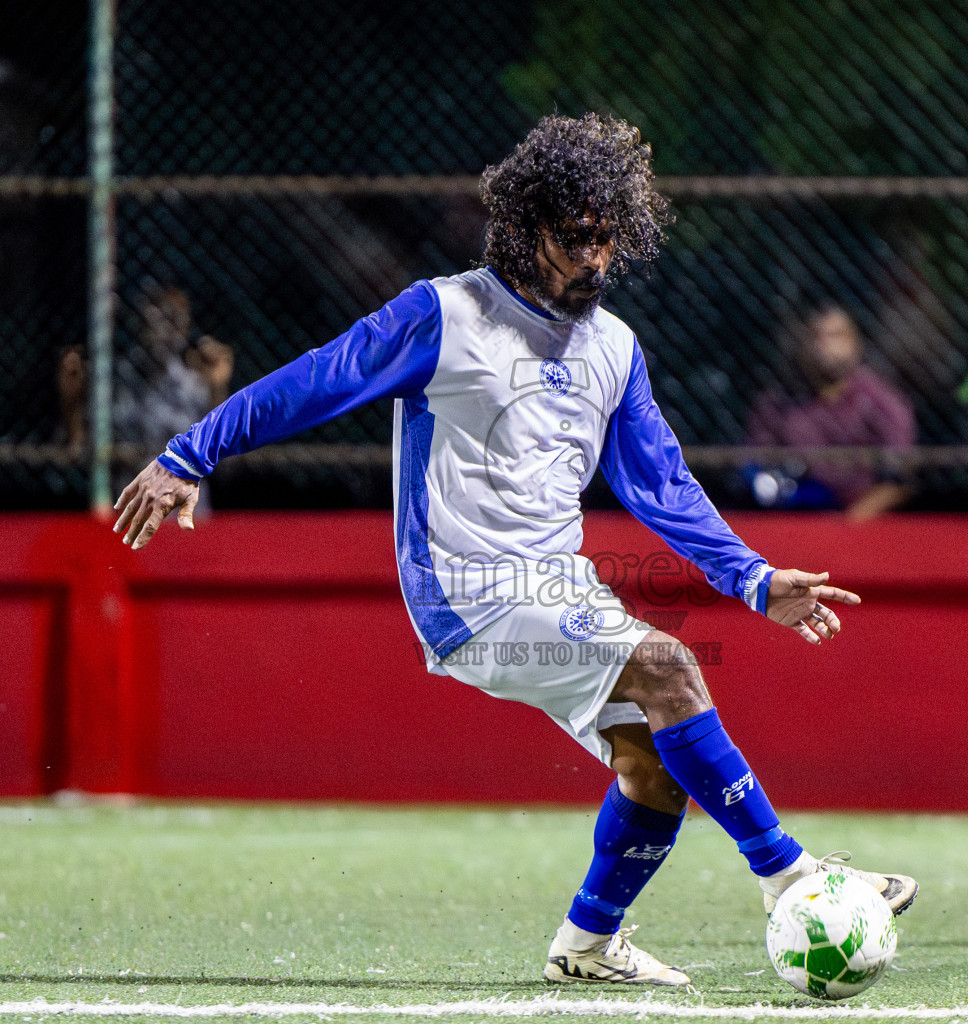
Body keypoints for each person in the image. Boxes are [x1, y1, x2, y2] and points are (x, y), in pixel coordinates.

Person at [111, 113, 918, 986]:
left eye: (609, 239)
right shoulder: (447, 313)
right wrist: (189, 454)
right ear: (528, 228)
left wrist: (754, 580)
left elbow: (661, 486)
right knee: (669, 666)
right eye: (576, 238)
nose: (596, 259)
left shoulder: (615, 348)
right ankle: (792, 878)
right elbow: (318, 379)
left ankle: (587, 944)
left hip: (558, 587)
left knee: (655, 764)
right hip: (464, 591)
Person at [745, 304, 914, 519]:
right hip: (791, 518)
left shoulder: (884, 403)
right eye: (816, 335)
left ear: (855, 344)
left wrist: (845, 524)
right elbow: (754, 464)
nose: (825, 344)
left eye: (836, 335)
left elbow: (898, 481)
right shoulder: (778, 403)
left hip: (859, 523)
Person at [58, 282, 234, 456]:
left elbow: (222, 456)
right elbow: (78, 448)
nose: (166, 330)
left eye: (175, 321)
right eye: (158, 319)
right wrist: (72, 400)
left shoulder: (195, 385)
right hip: (126, 474)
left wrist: (218, 388)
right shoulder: (115, 379)